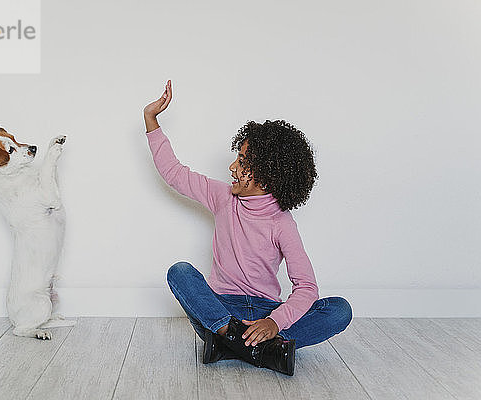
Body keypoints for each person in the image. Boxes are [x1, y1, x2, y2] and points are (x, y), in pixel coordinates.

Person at [143, 80, 352, 376]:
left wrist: (275, 323)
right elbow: (176, 174)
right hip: (220, 311)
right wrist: (151, 120)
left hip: (267, 314)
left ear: (267, 177)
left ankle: (235, 344)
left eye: (242, 161)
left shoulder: (282, 223)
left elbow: (306, 288)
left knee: (339, 309)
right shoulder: (222, 197)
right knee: (180, 272)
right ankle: (258, 348)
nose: (232, 167)